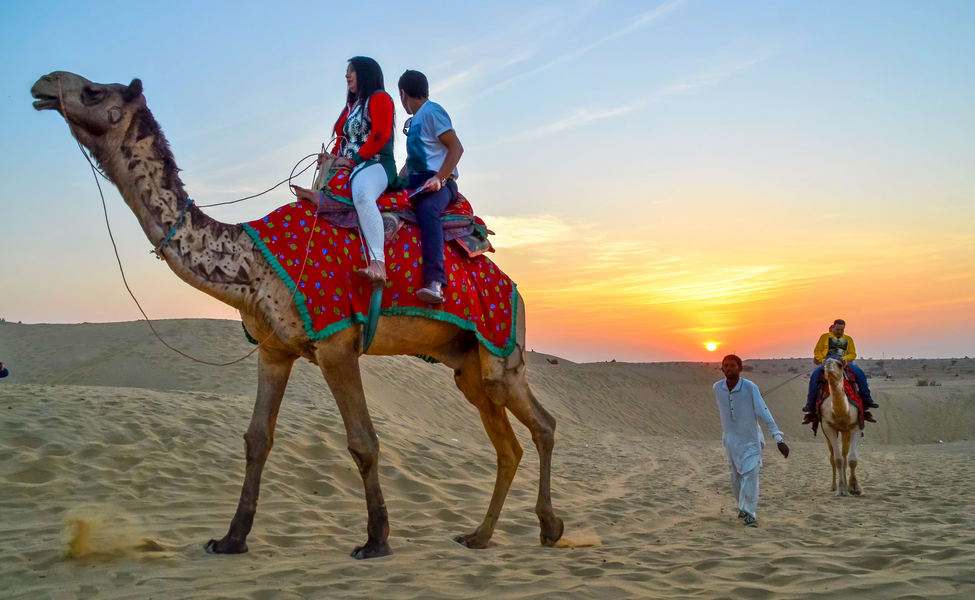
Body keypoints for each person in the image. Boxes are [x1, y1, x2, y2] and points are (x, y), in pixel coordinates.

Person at [326, 56, 399, 284]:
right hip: (351, 166)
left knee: (362, 195)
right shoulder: (351, 108)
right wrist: (330, 159)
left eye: (352, 71)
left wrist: (354, 159)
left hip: (376, 163)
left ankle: (378, 263)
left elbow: (380, 135)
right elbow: (342, 141)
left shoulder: (380, 99)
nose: (347, 75)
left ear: (366, 74)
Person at [397, 69, 464, 304]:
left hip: (439, 184)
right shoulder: (415, 121)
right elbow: (413, 160)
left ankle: (435, 282)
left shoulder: (433, 112)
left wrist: (440, 178)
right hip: (416, 182)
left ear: (403, 93)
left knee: (427, 211)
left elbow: (456, 147)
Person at [714, 354, 789, 527]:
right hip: (731, 442)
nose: (729, 368)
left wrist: (778, 438)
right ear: (722, 369)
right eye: (726, 365)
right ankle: (742, 508)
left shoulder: (750, 387)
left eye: (733, 365)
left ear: (740, 368)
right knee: (736, 478)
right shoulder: (717, 388)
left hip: (751, 441)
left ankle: (749, 512)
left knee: (750, 475)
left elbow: (764, 411)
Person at [802, 319, 877, 424]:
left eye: (842, 329)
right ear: (834, 327)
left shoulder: (848, 339)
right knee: (814, 376)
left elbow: (853, 353)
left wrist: (845, 358)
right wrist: (823, 360)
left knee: (859, 373)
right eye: (838, 329)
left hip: (843, 362)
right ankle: (810, 405)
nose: (840, 331)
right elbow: (817, 351)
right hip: (827, 362)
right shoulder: (824, 337)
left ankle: (867, 399)